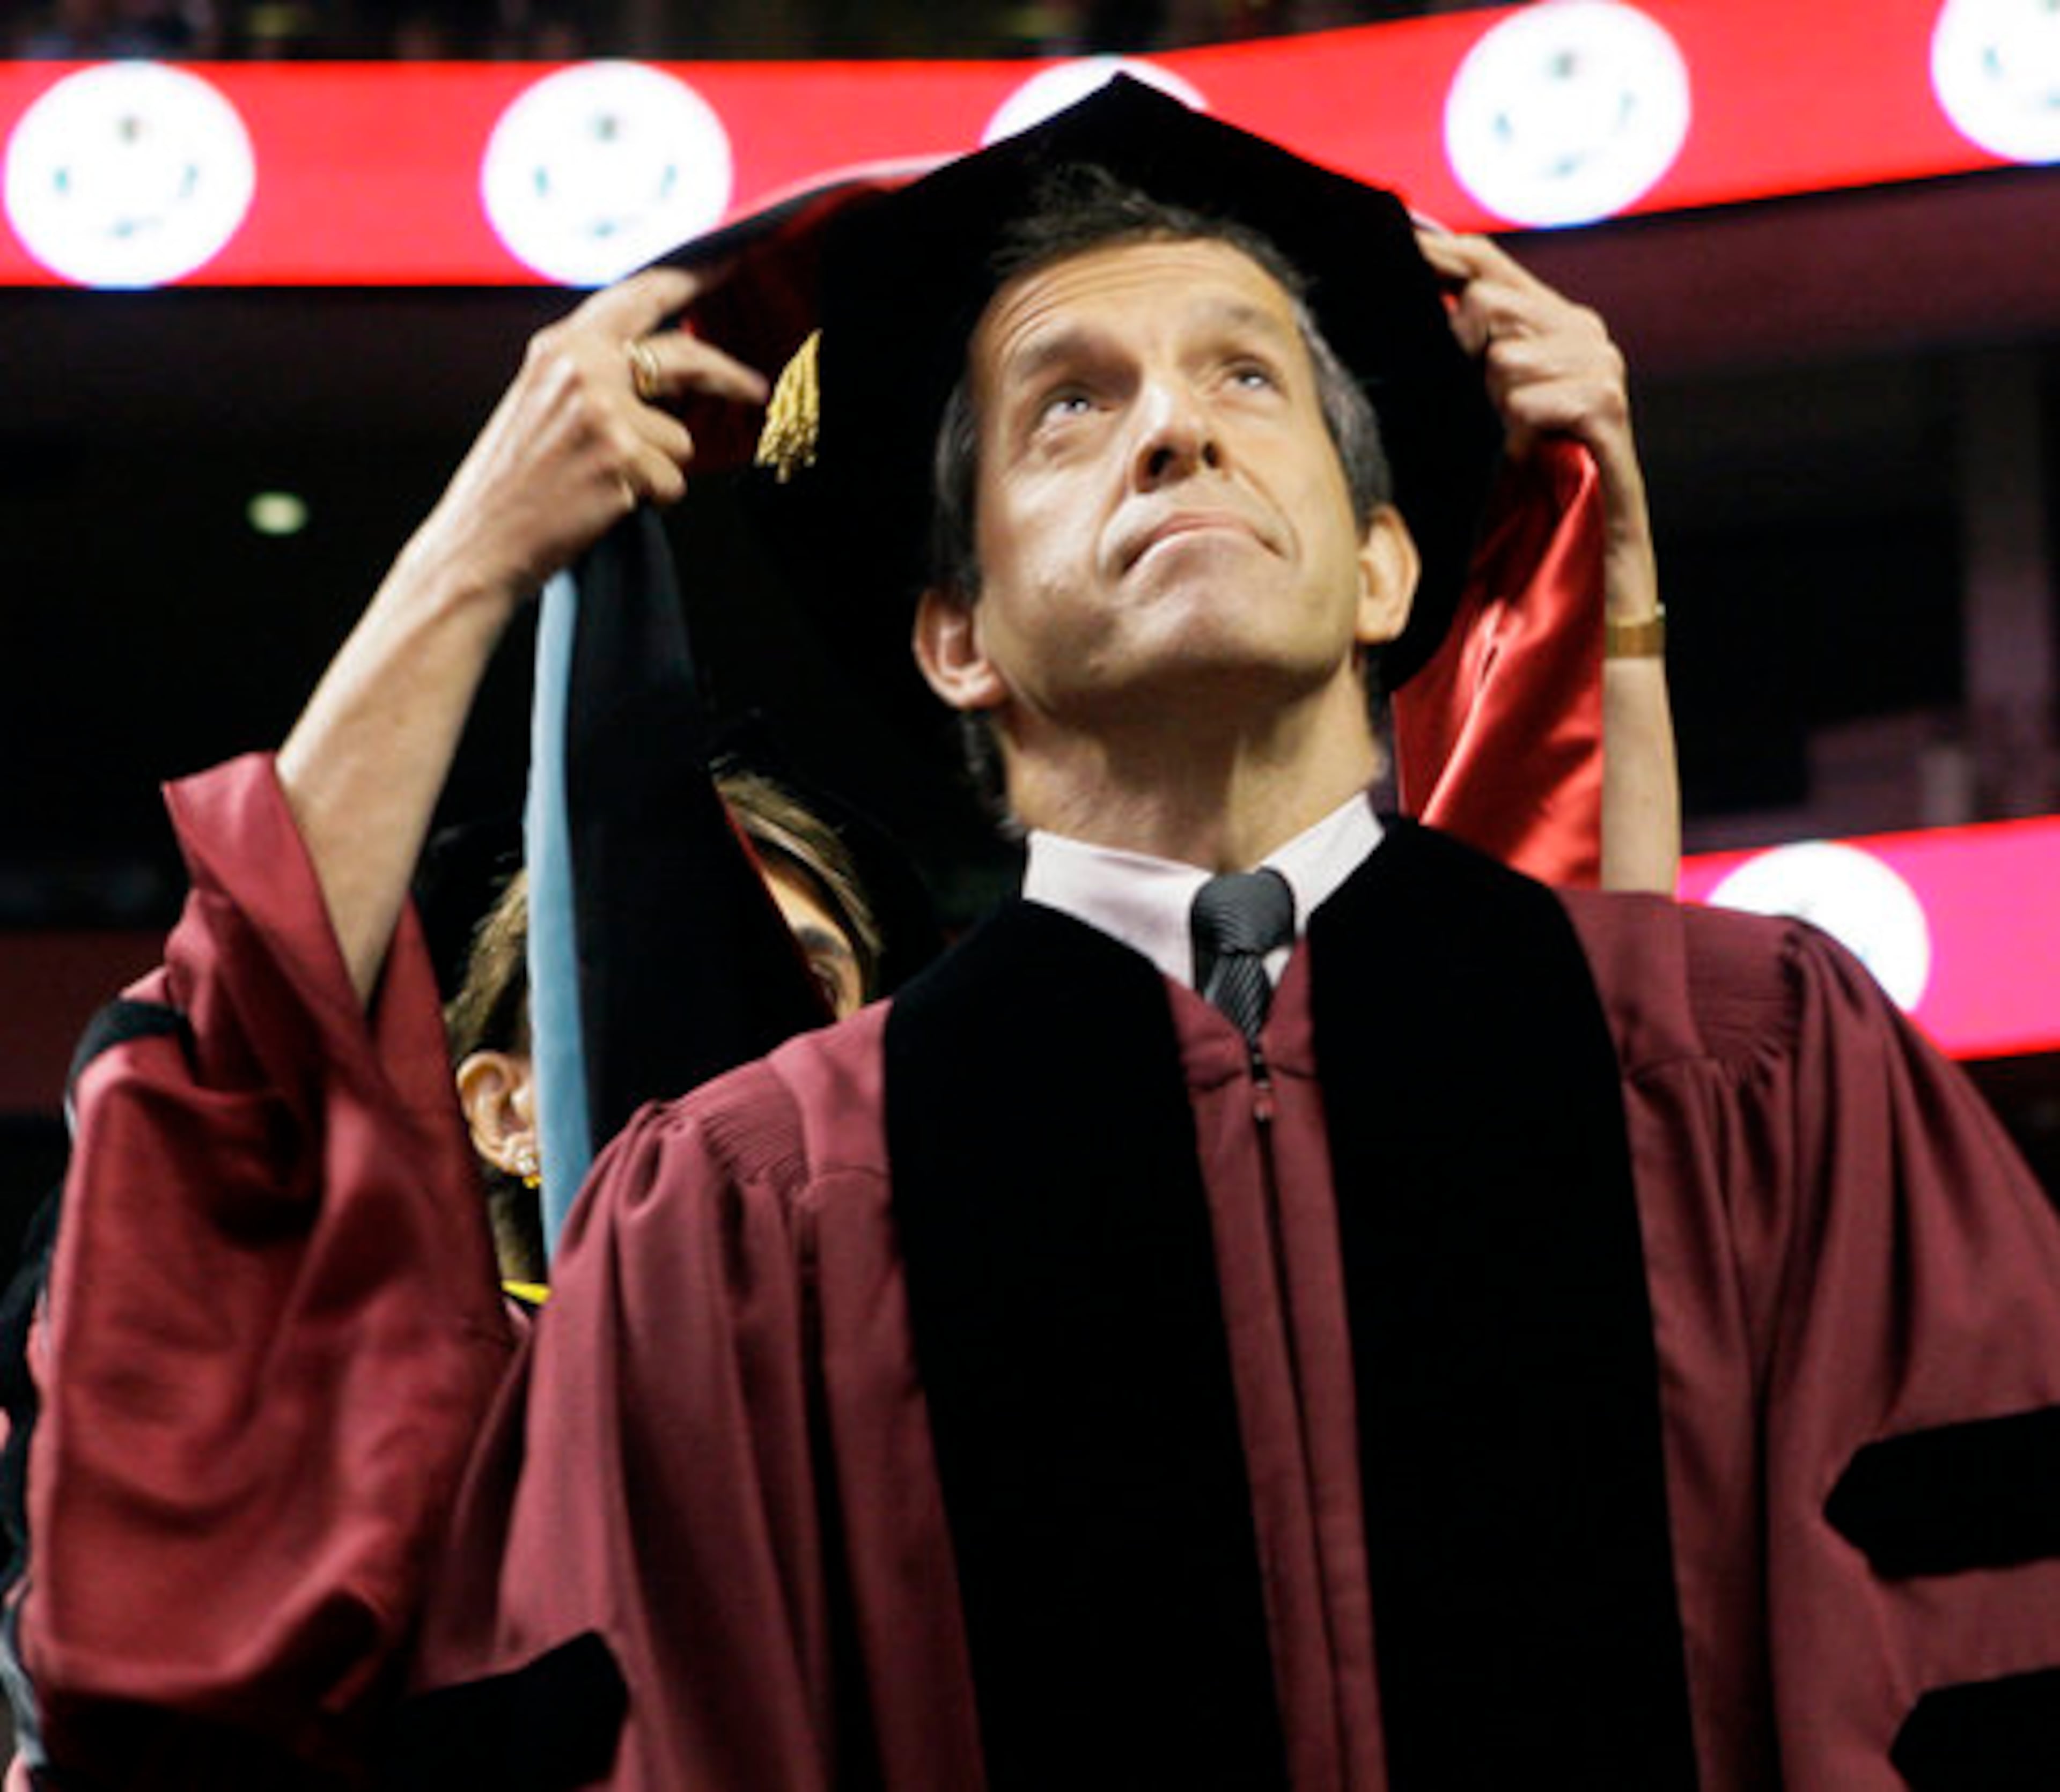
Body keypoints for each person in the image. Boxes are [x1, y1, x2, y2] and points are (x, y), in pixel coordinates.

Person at [43, 81, 2008, 1792]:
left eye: (1246, 377)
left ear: (1386, 564)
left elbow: (1976, 1652)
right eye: (1072, 407)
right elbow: (223, 1439)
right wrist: (478, 550)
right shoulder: (744, 1213)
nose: (1176, 433)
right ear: (957, 637)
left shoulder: (1758, 1063)